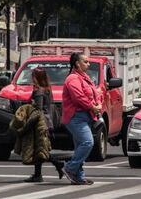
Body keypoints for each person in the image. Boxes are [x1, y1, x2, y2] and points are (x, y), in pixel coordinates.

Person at [61, 53, 102, 185]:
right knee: (87, 142)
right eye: (85, 62)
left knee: (80, 146)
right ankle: (69, 168)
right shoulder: (73, 78)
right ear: (77, 64)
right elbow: (78, 97)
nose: (88, 64)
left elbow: (95, 93)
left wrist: (98, 104)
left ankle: (78, 177)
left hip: (85, 116)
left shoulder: (84, 77)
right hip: (75, 117)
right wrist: (92, 107)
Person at [24, 67, 64, 182]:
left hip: (40, 123)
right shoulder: (47, 89)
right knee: (39, 148)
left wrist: (28, 123)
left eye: (33, 76)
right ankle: (38, 175)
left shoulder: (38, 91)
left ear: (36, 78)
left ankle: (58, 163)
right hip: (47, 122)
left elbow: (39, 110)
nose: (31, 79)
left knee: (40, 148)